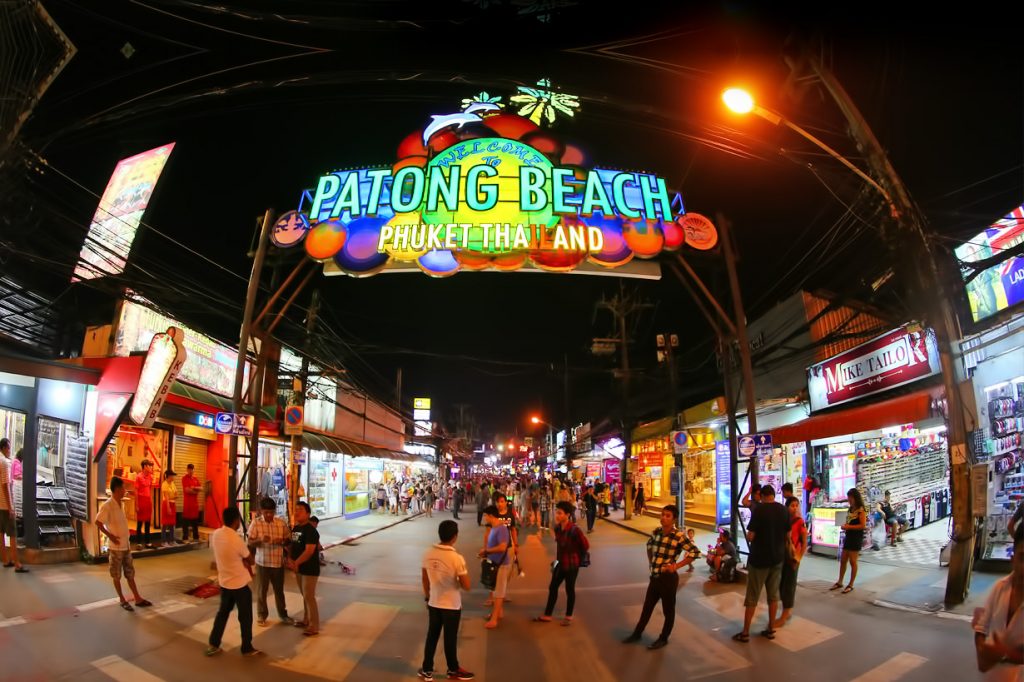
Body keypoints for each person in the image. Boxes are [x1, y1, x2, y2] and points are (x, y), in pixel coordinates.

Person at [623, 505, 697, 650]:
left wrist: (676, 566)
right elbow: (649, 546)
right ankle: (637, 633)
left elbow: (695, 552)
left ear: (674, 519)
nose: (663, 517)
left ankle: (664, 638)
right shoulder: (656, 532)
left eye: (668, 515)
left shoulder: (679, 536)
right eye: (662, 514)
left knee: (668, 610)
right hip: (655, 577)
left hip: (668, 579)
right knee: (647, 607)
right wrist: (651, 562)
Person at [418, 520, 474, 681]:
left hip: (433, 602)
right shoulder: (456, 558)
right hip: (451, 605)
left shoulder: (427, 553)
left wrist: (428, 597)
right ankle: (453, 670)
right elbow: (467, 585)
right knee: (450, 638)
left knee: (432, 636)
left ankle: (427, 669)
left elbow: (424, 579)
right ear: (455, 537)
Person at [733, 484, 789, 643]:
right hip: (777, 558)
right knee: (773, 595)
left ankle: (745, 633)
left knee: (752, 596)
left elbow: (750, 536)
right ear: (774, 495)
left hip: (759, 559)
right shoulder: (783, 510)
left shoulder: (759, 511)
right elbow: (788, 534)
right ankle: (771, 628)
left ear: (762, 496)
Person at [206, 506, 260, 656]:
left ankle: (213, 643)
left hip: (225, 582)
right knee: (245, 617)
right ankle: (246, 647)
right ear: (236, 521)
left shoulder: (216, 534)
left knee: (222, 613)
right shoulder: (236, 539)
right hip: (239, 584)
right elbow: (250, 560)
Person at [972, 526, 1023, 680]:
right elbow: (981, 628)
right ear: (1013, 558)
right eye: (1023, 557)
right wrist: (982, 651)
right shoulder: (1000, 587)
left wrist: (1003, 654)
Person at [96, 476, 152, 610]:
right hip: (115, 548)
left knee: (130, 573)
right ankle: (122, 599)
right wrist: (111, 536)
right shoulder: (108, 505)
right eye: (122, 488)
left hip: (125, 546)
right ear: (116, 489)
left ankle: (137, 598)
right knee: (116, 575)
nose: (124, 490)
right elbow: (98, 522)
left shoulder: (120, 503)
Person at [534, 501, 589, 626]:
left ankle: (568, 616)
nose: (557, 515)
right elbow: (559, 546)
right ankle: (548, 614)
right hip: (559, 563)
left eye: (559, 513)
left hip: (571, 565)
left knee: (570, 589)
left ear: (567, 515)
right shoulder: (558, 528)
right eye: (556, 512)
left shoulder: (575, 530)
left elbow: (585, 545)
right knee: (553, 587)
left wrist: (575, 554)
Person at [248, 497, 293, 627]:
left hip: (277, 562)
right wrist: (260, 540)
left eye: (271, 512)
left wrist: (282, 542)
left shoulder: (281, 523)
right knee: (262, 590)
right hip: (262, 562)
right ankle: (262, 615)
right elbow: (250, 542)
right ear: (261, 511)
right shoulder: (256, 523)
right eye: (266, 512)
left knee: (279, 590)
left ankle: (283, 615)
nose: (269, 515)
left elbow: (289, 540)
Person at [287, 500, 321, 636]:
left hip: (310, 569)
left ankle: (314, 625)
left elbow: (309, 551)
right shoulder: (296, 528)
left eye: (300, 510)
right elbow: (291, 545)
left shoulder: (311, 531)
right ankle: (306, 620)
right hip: (299, 568)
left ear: (308, 514)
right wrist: (290, 559)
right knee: (304, 595)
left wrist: (296, 563)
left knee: (309, 596)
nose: (297, 512)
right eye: (296, 510)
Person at [479, 505, 512, 629]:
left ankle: (494, 619)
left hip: (501, 564)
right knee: (496, 589)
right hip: (495, 563)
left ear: (491, 516)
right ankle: (499, 612)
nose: (484, 518)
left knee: (498, 592)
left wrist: (487, 551)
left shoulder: (501, 529)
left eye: (485, 516)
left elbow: (503, 547)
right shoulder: (494, 528)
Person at [777, 496, 807, 628]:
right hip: (782, 556)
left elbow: (804, 542)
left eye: (796, 505)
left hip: (793, 557)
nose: (794, 508)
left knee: (789, 585)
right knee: (781, 584)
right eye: (792, 505)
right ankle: (786, 609)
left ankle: (785, 613)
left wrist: (798, 557)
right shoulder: (783, 521)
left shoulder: (800, 522)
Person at [832, 487, 867, 594]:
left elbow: (862, 525)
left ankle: (851, 584)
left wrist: (848, 527)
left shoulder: (861, 510)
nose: (849, 500)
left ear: (855, 498)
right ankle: (840, 581)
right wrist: (844, 526)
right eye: (848, 498)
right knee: (843, 560)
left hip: (856, 538)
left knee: (853, 561)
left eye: (851, 498)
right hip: (848, 536)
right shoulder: (850, 509)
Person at [0, 438, 27, 572]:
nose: (10, 451)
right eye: (9, 448)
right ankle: (17, 564)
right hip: (5, 505)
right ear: (4, 448)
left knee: (0, 533)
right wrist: (11, 507)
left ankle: (5, 560)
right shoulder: (4, 462)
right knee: (13, 534)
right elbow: (5, 486)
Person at [134, 459, 155, 548]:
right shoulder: (138, 477)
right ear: (145, 466)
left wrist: (151, 502)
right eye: (149, 466)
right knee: (139, 523)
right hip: (141, 500)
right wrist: (136, 505)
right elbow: (136, 491)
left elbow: (150, 489)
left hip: (148, 501)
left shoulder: (150, 477)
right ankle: (138, 542)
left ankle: (147, 542)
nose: (150, 467)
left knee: (147, 522)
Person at [181, 464, 202, 543]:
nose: (191, 471)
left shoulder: (195, 479)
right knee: (185, 522)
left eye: (192, 469)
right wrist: (195, 491)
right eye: (189, 469)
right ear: (187, 470)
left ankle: (196, 537)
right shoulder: (184, 478)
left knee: (195, 522)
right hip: (187, 504)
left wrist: (194, 488)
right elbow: (187, 490)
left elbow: (201, 488)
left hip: (195, 504)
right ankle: (185, 538)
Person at [159, 470, 178, 546]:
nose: (173, 477)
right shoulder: (164, 484)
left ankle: (172, 540)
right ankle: (163, 541)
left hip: (173, 503)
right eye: (172, 475)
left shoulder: (173, 483)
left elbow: (176, 493)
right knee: (165, 523)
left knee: (172, 524)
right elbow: (166, 497)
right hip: (167, 504)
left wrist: (173, 497)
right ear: (169, 476)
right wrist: (168, 507)